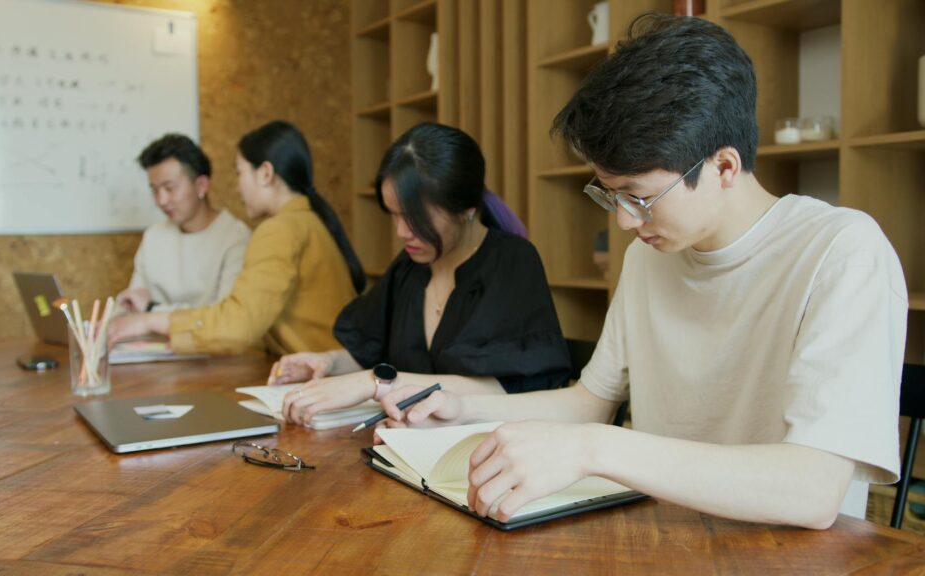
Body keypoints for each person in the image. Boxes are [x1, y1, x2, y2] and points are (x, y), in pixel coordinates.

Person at [376, 15, 907, 530]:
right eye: (611, 194)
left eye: (640, 197)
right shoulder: (650, 256)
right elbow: (590, 401)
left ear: (723, 167)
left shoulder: (841, 253)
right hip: (655, 539)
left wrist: (596, 448)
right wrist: (463, 409)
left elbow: (814, 490)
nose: (626, 221)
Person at [270, 122, 572, 426]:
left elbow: (507, 387)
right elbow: (371, 351)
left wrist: (376, 383)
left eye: (415, 218)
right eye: (395, 215)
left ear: (466, 208)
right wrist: (327, 363)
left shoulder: (511, 262)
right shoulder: (410, 268)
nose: (402, 232)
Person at [108, 121, 364, 356]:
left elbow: (237, 325)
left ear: (265, 173)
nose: (237, 186)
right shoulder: (305, 221)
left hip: (323, 380)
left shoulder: (279, 230)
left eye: (239, 173)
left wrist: (149, 317)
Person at [117, 134, 251, 312]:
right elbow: (133, 304)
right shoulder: (153, 236)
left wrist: (152, 309)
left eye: (169, 188)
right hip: (151, 340)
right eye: (154, 190)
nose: (161, 200)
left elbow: (224, 319)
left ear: (201, 185)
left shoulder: (235, 237)